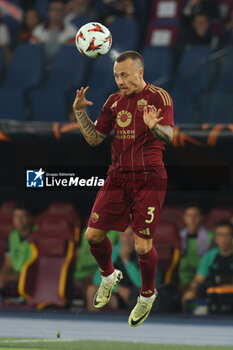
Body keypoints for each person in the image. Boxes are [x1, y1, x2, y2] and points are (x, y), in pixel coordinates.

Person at [73, 50, 174, 326]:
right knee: (92, 236)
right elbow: (95, 139)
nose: (120, 81)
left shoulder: (159, 98)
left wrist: (156, 127)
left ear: (139, 73)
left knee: (142, 247)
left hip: (149, 178)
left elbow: (170, 135)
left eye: (125, 75)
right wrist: (81, 113)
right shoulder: (113, 102)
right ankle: (108, 276)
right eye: (117, 75)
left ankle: (147, 294)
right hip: (117, 177)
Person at [86, 225, 162, 311]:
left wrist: (127, 261)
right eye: (124, 235)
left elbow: (141, 284)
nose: (127, 239)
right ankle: (96, 322)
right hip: (118, 294)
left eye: (130, 235)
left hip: (139, 296)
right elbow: (97, 279)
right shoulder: (114, 251)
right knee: (92, 290)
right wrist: (117, 288)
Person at [182, 220, 233, 310]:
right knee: (188, 296)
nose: (224, 238)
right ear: (215, 238)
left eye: (227, 234)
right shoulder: (209, 256)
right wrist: (192, 289)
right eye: (220, 235)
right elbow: (198, 279)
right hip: (214, 293)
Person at [0, 202, 36, 299]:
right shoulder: (12, 236)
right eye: (16, 216)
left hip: (33, 276)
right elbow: (8, 264)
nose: (19, 220)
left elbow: (37, 269)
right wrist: (3, 275)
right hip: (16, 275)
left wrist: (8, 278)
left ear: (30, 218)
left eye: (22, 216)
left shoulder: (38, 235)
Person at [178, 203, 214, 294]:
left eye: (196, 215)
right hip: (183, 281)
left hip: (205, 281)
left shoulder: (211, 237)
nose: (193, 219)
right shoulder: (178, 237)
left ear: (202, 217)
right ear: (184, 217)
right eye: (189, 216)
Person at [30, 0, 76, 64]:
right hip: (39, 65)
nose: (56, 13)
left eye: (59, 10)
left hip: (62, 66)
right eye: (53, 10)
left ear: (64, 12)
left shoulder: (71, 31)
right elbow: (32, 53)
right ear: (48, 12)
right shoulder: (39, 30)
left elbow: (70, 56)